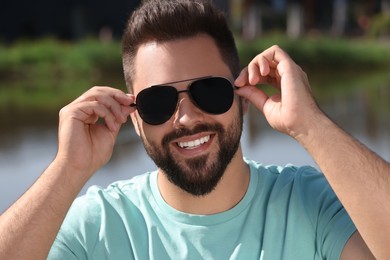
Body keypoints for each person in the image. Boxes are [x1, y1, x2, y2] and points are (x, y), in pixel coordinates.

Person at [0, 0, 389, 259]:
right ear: (133, 117)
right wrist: (68, 171)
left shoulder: (312, 204)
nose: (185, 118)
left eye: (210, 91)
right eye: (157, 103)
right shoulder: (97, 227)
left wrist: (311, 126)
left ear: (242, 95)